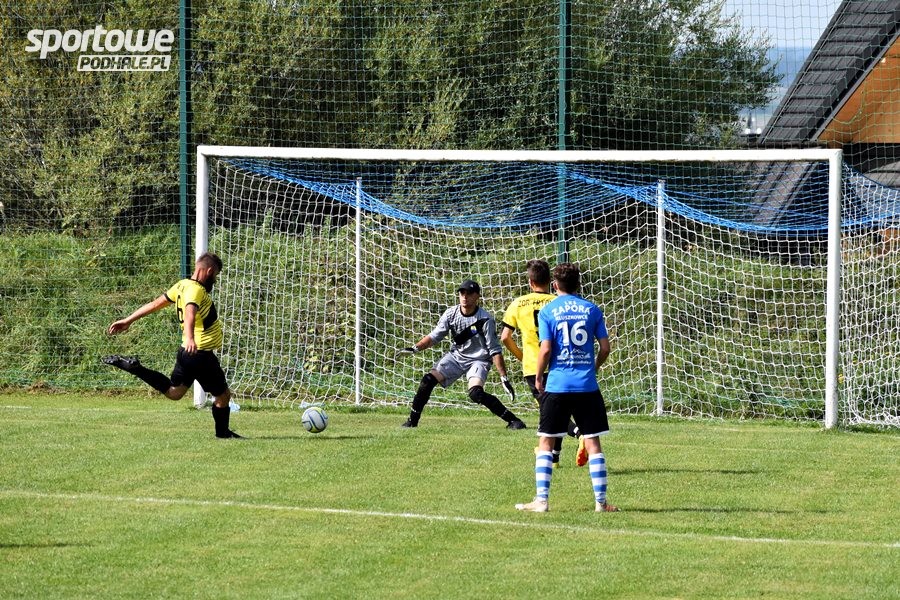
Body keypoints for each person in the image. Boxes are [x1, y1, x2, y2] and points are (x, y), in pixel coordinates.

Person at [102, 251, 241, 439]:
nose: (214, 280)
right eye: (215, 275)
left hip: (186, 353)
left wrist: (128, 320)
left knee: (174, 393)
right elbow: (190, 311)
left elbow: (154, 304)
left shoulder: (181, 285)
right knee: (223, 396)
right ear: (209, 271)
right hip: (200, 353)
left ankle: (136, 368)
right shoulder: (196, 290)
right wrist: (190, 337)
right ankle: (223, 434)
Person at [515, 263, 618, 513]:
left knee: (546, 441)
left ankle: (541, 501)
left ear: (555, 285)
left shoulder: (549, 310)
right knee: (592, 442)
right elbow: (605, 348)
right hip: (586, 386)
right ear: (578, 284)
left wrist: (538, 376)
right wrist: (593, 367)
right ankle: (601, 502)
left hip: (558, 384)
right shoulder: (592, 309)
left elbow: (546, 349)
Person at [398, 279, 527, 430]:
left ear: (477, 296)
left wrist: (503, 377)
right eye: (462, 293)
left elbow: (494, 350)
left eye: (469, 293)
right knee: (427, 380)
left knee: (475, 393)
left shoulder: (486, 319)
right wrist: (415, 348)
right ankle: (412, 422)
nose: (465, 297)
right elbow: (434, 336)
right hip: (457, 356)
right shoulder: (451, 313)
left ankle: (514, 421)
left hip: (479, 359)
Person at [501, 259, 586, 468]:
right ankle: (555, 457)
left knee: (551, 412)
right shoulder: (558, 302)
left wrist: (522, 356)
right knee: (556, 409)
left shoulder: (518, 304)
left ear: (530, 282)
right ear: (550, 281)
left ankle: (579, 434)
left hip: (533, 365)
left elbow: (505, 337)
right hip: (560, 363)